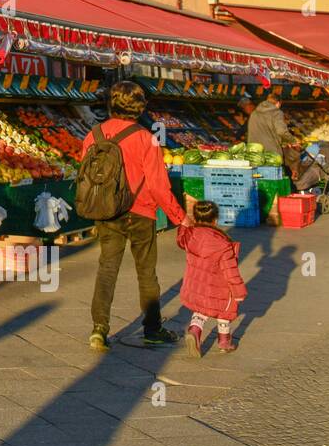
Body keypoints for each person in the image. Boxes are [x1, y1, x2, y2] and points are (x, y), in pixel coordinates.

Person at [80, 80, 189, 352]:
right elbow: (158, 185)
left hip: (107, 211)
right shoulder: (146, 138)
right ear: (140, 106)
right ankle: (152, 329)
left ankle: (98, 329)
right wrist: (179, 217)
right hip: (140, 213)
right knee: (146, 272)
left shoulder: (93, 135)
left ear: (111, 103)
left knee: (107, 268)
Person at [176, 200, 246, 356]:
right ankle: (224, 341)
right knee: (225, 311)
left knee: (201, 309)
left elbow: (180, 240)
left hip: (196, 286)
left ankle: (194, 331)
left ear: (195, 217)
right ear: (215, 219)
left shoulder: (189, 235)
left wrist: (184, 225)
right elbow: (230, 271)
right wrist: (239, 292)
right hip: (218, 287)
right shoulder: (222, 243)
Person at [247, 91, 293, 164]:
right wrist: (292, 140)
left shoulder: (254, 113)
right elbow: (281, 131)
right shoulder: (277, 113)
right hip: (271, 154)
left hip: (254, 154)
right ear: (278, 103)